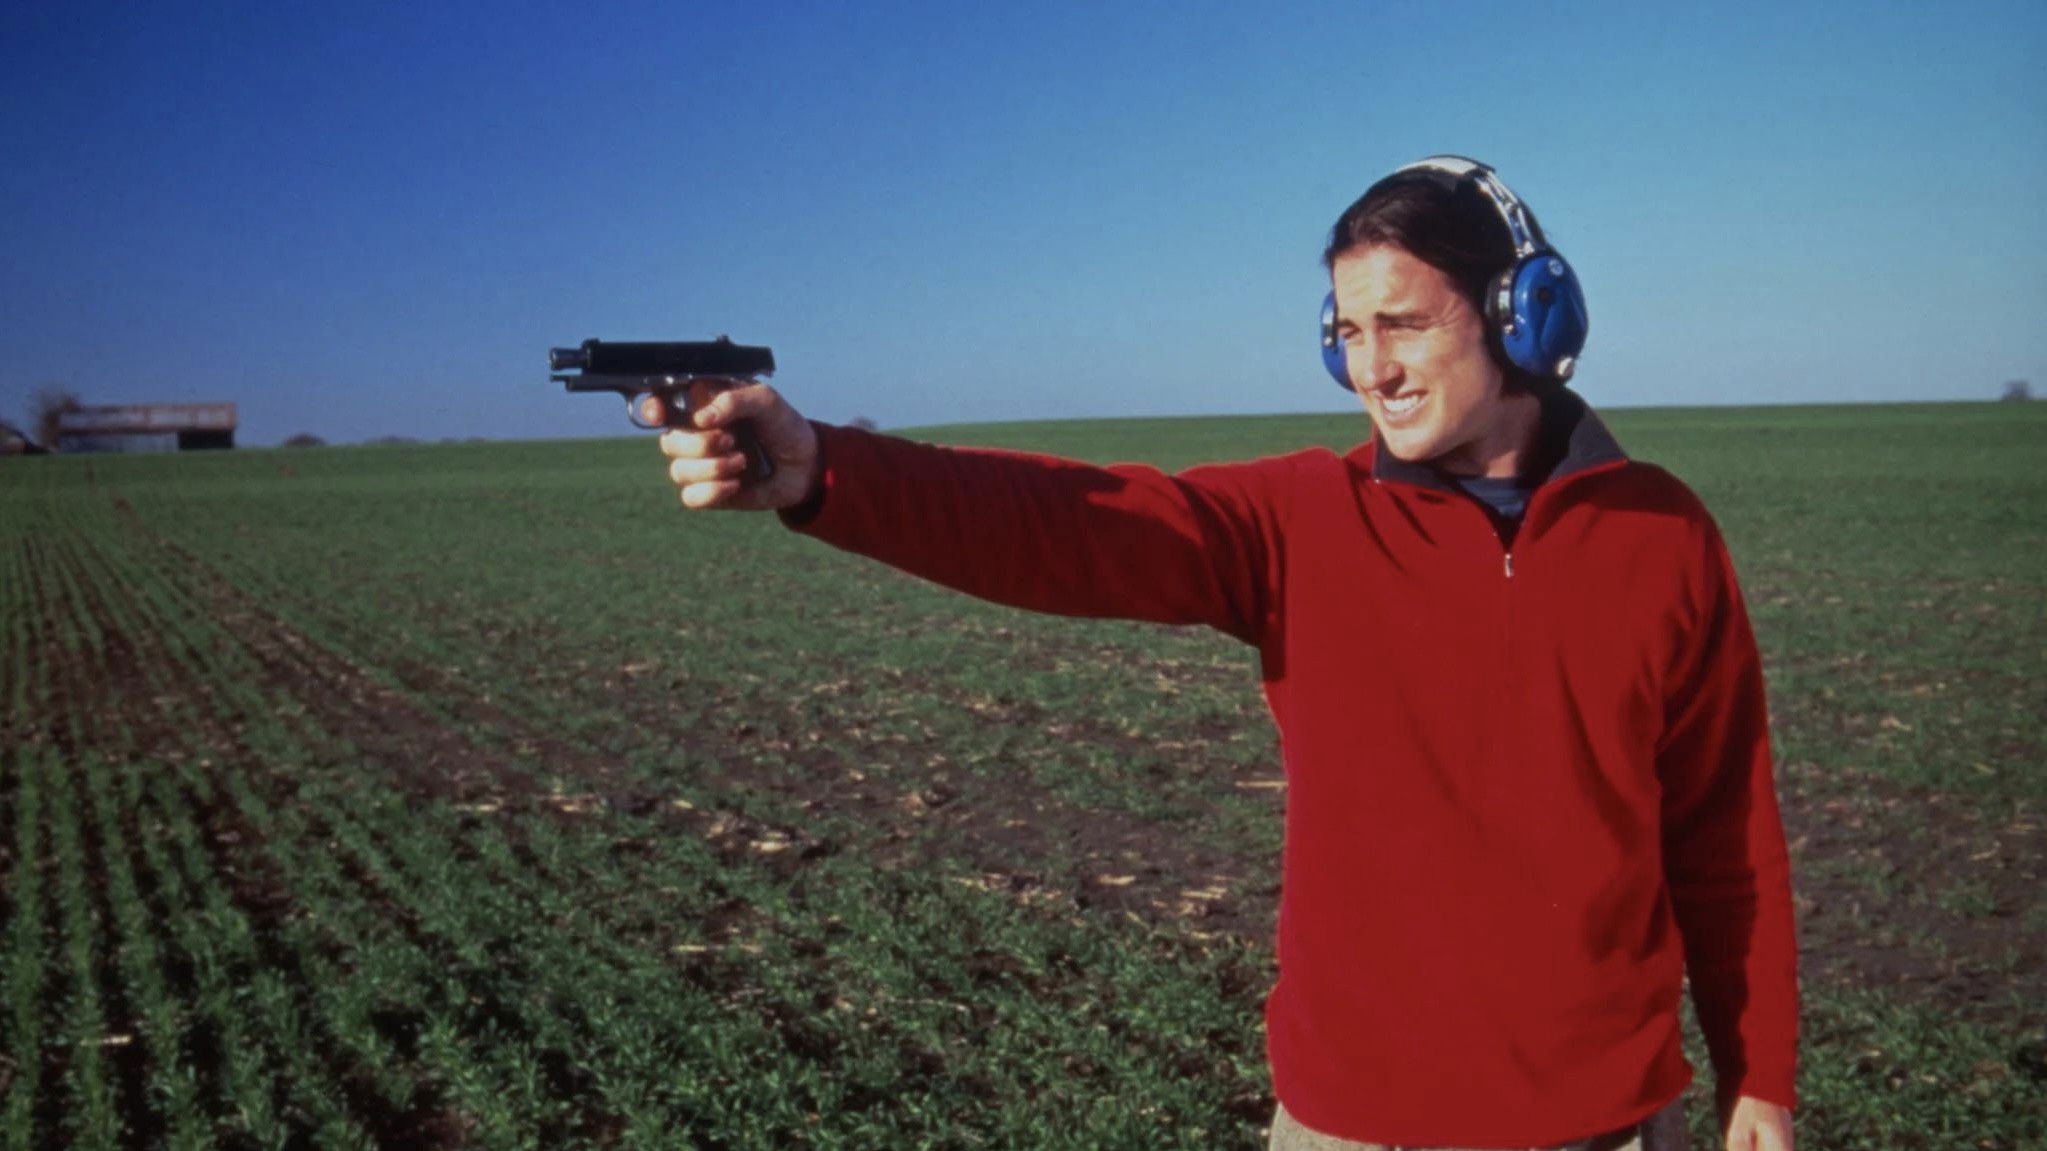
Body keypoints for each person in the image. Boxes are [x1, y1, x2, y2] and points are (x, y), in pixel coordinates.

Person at [658, 156, 1798, 1151]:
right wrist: (825, 473)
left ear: (1519, 318)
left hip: (1602, 1120)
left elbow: (1723, 833)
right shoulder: (1302, 523)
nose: (1371, 369)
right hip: (1357, 1122)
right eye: (1347, 332)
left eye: (1404, 323)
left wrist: (1760, 1073)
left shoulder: (1662, 533)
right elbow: (1065, 523)